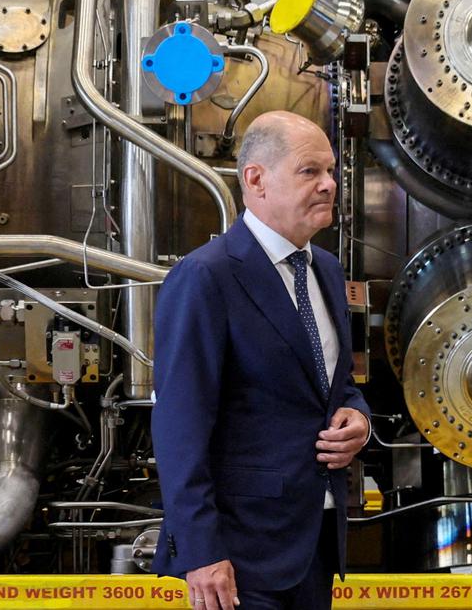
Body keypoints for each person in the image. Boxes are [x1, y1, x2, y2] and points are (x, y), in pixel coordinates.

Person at [151, 110, 371, 610]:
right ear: (256, 179)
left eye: (331, 171)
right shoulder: (207, 278)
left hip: (313, 543)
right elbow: (179, 426)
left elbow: (333, 386)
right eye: (310, 171)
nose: (328, 185)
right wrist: (201, 551)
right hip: (239, 557)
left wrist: (357, 416)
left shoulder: (328, 271)